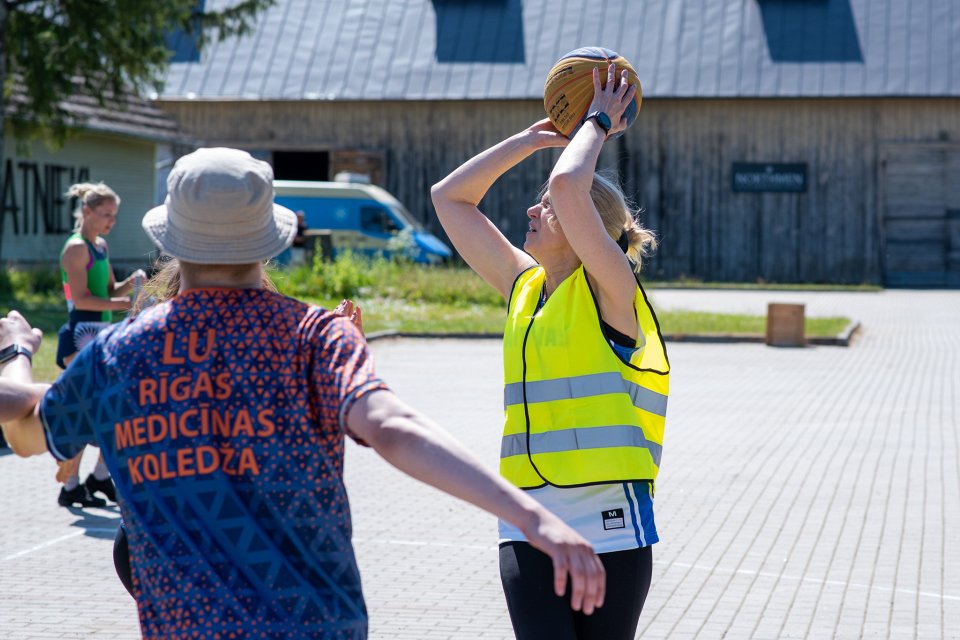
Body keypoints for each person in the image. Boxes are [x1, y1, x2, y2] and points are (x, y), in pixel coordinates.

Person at [0, 147, 605, 639]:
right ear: (269, 241)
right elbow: (392, 427)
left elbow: (27, 426)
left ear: (175, 243)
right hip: (320, 625)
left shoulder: (120, 353)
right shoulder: (316, 337)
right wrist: (531, 517)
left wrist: (17, 350)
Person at [431, 65, 670, 640]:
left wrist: (598, 123)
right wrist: (528, 140)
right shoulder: (524, 287)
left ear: (588, 227)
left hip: (612, 521)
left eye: (547, 208)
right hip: (529, 516)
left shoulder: (613, 290)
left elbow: (567, 186)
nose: (534, 211)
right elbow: (450, 199)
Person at [55, 182, 145, 508]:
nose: (111, 221)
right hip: (81, 335)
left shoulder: (101, 246)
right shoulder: (76, 248)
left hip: (102, 334)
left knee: (112, 410)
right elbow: (82, 299)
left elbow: (108, 291)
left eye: (114, 215)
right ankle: (72, 484)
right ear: (87, 212)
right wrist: (127, 303)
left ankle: (97, 477)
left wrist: (133, 283)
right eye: (105, 214)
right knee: (90, 413)